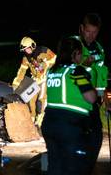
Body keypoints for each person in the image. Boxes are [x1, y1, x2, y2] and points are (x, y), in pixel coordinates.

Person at [41, 38, 102, 175]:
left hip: (49, 124)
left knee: (55, 167)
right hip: (70, 126)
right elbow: (91, 98)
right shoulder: (76, 71)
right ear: (75, 53)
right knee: (74, 168)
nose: (81, 57)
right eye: (80, 54)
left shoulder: (52, 70)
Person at [12, 36, 56, 127]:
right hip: (35, 79)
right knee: (30, 99)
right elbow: (22, 70)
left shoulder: (43, 50)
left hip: (45, 78)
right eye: (24, 49)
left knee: (41, 99)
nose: (26, 51)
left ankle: (41, 118)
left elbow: (54, 58)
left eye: (27, 48)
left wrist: (44, 64)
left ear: (32, 45)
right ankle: (31, 117)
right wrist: (16, 83)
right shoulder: (26, 58)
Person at [70, 13, 108, 99]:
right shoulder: (72, 44)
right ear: (82, 28)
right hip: (78, 96)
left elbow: (101, 78)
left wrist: (104, 98)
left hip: (96, 98)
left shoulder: (99, 49)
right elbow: (65, 70)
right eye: (88, 31)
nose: (91, 35)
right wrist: (84, 65)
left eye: (94, 32)